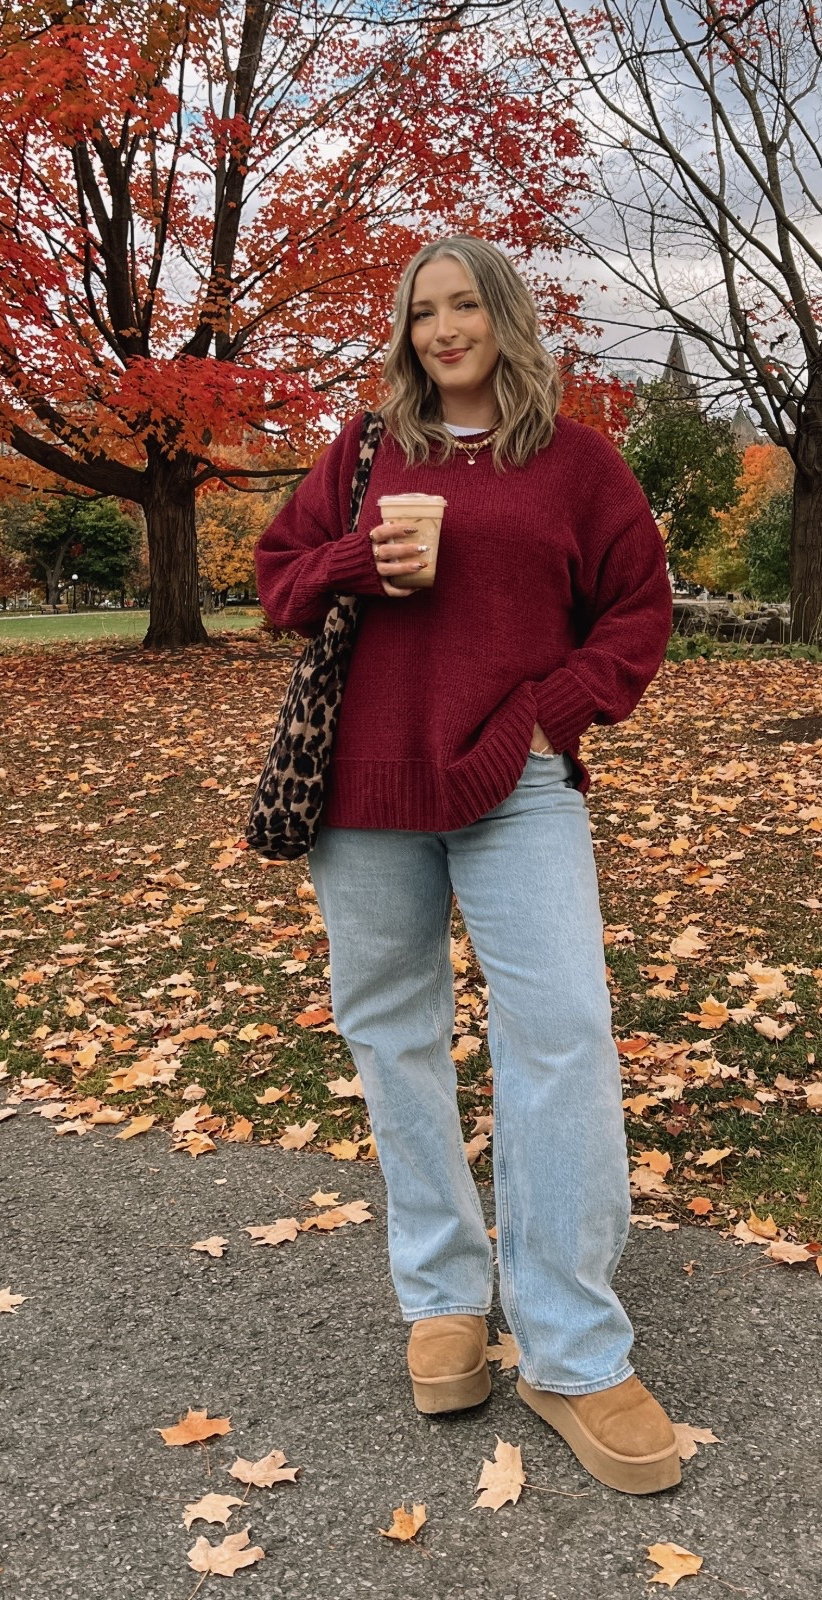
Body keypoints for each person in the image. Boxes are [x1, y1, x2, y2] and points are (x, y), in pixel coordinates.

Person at [254, 236, 680, 1495]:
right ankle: (443, 1299)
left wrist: (555, 712)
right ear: (405, 329)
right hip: (368, 793)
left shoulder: (577, 460)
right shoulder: (366, 449)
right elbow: (276, 580)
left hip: (521, 784)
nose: (445, 328)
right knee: (393, 1033)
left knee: (561, 1032)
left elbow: (639, 606)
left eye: (465, 305)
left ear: (504, 316)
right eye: (423, 310)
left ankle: (570, 1344)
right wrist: (353, 559)